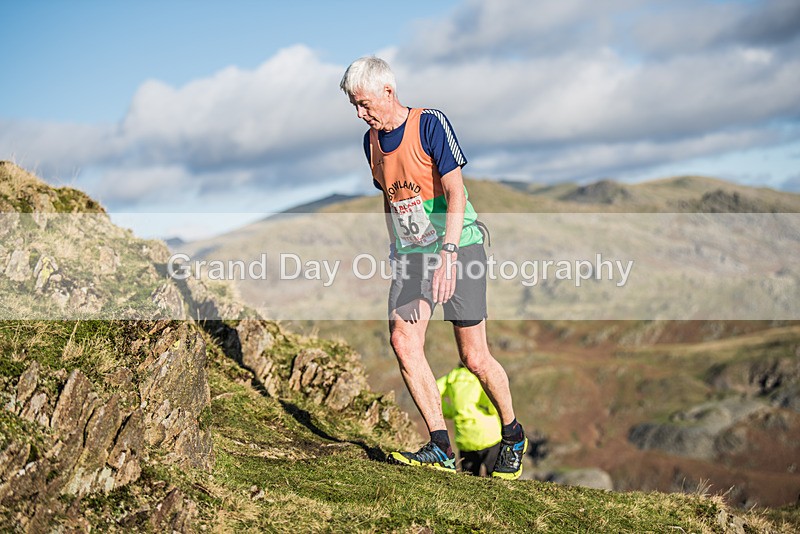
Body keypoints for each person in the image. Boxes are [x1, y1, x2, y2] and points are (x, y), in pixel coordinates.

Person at [340, 56, 527, 479]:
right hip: (412, 255)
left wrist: (448, 254)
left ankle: (513, 435)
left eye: (365, 104)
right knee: (403, 340)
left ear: (389, 92)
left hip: (460, 246)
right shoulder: (369, 142)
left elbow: (456, 192)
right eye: (354, 105)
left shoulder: (429, 124)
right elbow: (391, 198)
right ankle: (441, 446)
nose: (359, 114)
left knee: (474, 357)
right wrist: (395, 247)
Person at [437, 364, 503, 476]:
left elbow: (434, 390)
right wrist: (491, 410)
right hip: (489, 435)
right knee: (497, 475)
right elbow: (493, 399)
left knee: (469, 477)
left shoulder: (452, 378)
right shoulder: (481, 376)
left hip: (464, 438)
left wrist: (450, 411)